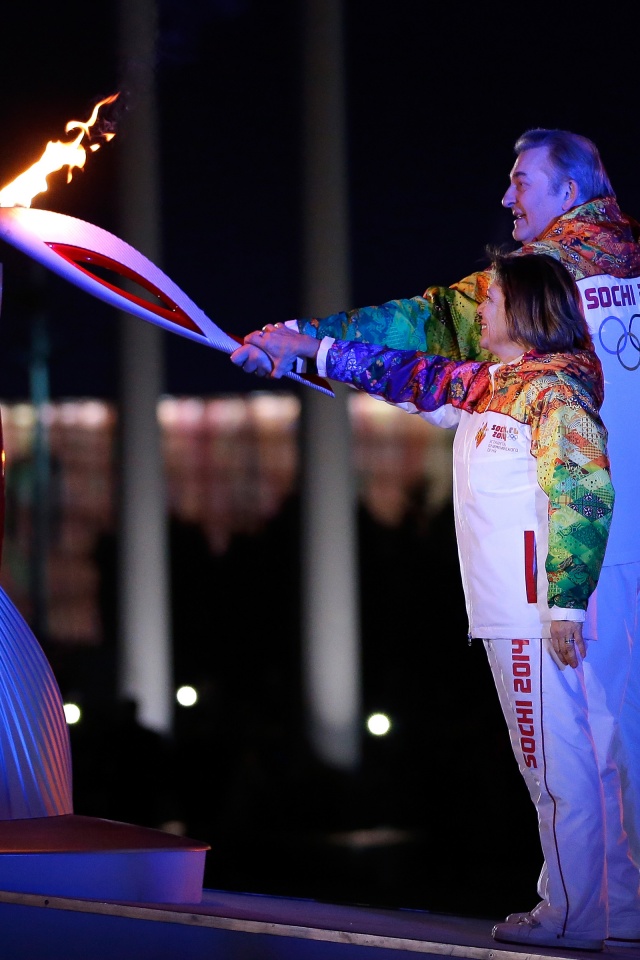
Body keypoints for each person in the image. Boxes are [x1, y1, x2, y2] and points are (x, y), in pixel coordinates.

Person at [232, 128, 640, 948]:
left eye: (521, 179)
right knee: (614, 740)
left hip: (559, 557)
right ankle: (618, 911)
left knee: (566, 748)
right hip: (608, 547)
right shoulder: (541, 345)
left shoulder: (539, 302)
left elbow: (420, 333)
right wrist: (311, 350)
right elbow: (425, 375)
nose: (506, 196)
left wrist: (304, 340)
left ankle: (573, 915)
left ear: (571, 191)